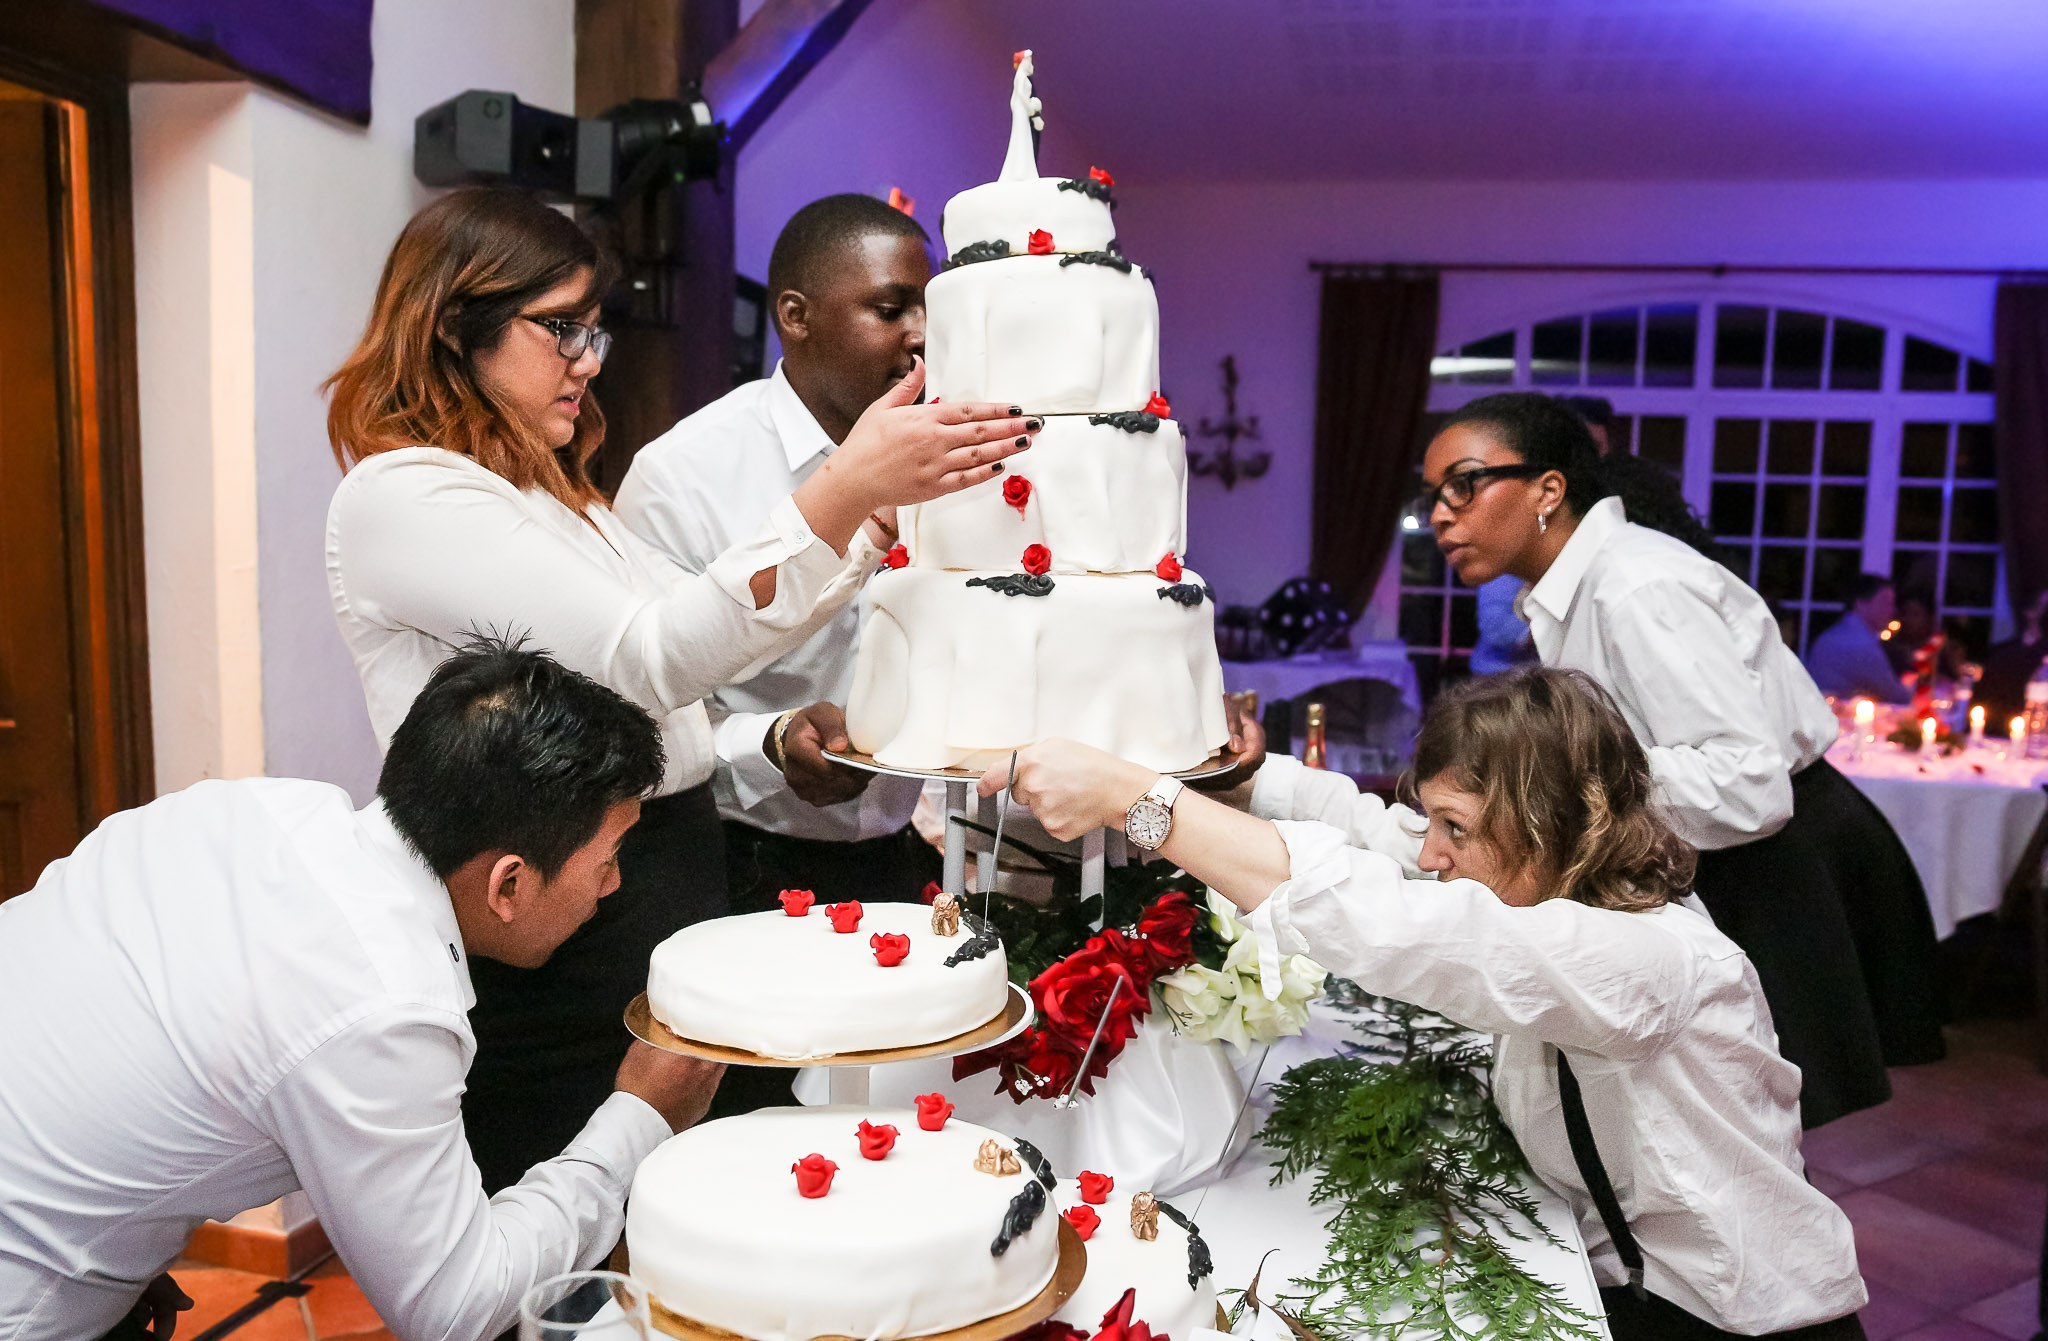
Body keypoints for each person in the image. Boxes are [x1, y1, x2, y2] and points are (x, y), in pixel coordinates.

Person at [323, 187, 1035, 1189]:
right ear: (456, 327)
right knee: (567, 1199)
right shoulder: (402, 495)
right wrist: (847, 489)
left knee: (685, 1202)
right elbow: (641, 662)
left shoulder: (552, 498)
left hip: (650, 877)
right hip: (543, 909)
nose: (586, 360)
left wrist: (868, 521)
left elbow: (713, 640)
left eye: (593, 331)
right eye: (560, 328)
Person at [984, 669, 1868, 1339]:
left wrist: (1138, 802)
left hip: (1731, 1321)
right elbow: (1377, 833)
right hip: (1632, 1284)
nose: (1431, 852)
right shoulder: (1563, 883)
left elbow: (1402, 924)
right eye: (1433, 820)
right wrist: (1243, 775)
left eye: (1458, 827)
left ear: (1549, 821)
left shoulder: (1646, 958)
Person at [0, 642, 726, 1341]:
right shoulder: (381, 1004)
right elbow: (453, 1308)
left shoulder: (259, 809)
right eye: (607, 858)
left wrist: (123, 1231)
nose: (615, 883)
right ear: (508, 882)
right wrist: (640, 1116)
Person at [1413, 391, 1943, 1128]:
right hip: (1720, 854)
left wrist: (1567, 786)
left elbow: (1748, 781)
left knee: (1751, 1138)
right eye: (1434, 493)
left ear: (1549, 489)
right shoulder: (1573, 588)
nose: (1441, 512)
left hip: (1772, 860)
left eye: (1464, 484)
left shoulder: (1636, 586)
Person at [615, 194, 935, 916]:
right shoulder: (681, 478)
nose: (921, 337)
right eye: (891, 310)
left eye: (929, 312)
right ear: (796, 317)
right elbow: (643, 709)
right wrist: (770, 741)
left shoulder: (948, 458)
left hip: (903, 856)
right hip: (734, 865)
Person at [1804, 575, 1910, 704]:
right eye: (1885, 602)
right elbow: (1897, 696)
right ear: (1860, 603)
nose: (1891, 610)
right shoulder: (1860, 643)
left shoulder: (1837, 633)